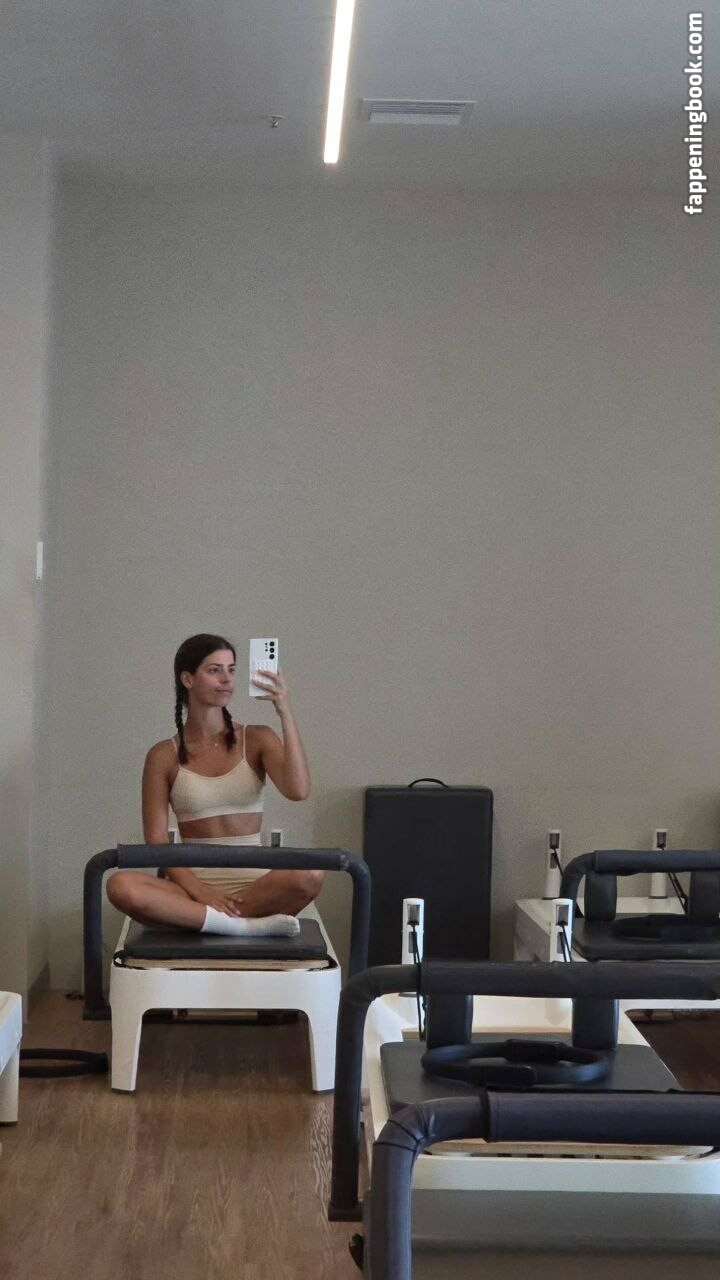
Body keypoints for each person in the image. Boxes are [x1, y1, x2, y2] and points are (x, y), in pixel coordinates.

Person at [107, 633, 318, 937]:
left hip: (256, 886)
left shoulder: (257, 738)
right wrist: (201, 892)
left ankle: (213, 922)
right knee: (120, 885)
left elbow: (298, 790)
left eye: (231, 670)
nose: (226, 679)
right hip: (191, 889)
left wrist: (284, 710)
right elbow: (156, 841)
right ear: (188, 679)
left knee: (311, 873)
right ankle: (243, 927)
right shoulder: (162, 755)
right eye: (214, 670)